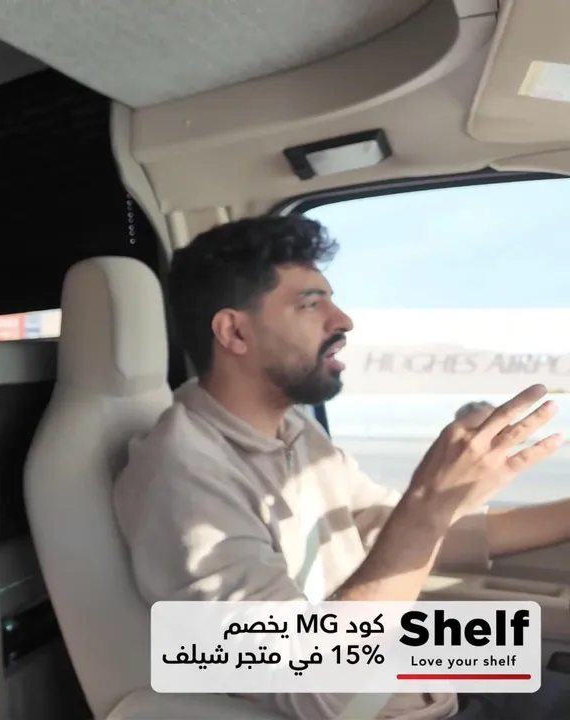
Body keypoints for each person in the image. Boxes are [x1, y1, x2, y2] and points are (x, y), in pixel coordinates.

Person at [113, 215, 570, 720]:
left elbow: (387, 530)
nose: (344, 320)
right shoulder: (181, 478)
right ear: (235, 331)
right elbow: (317, 683)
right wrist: (429, 505)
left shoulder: (294, 430)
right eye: (311, 304)